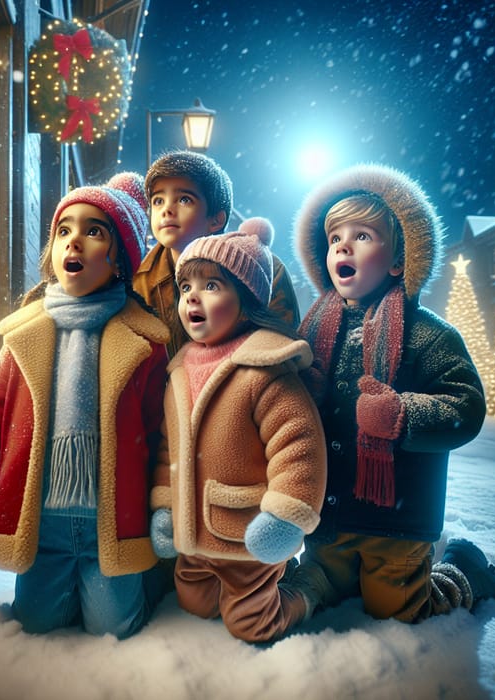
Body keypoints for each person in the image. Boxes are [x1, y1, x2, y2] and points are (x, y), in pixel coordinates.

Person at [0, 173, 171, 639]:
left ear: (119, 256)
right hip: (41, 522)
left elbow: (162, 435)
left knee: (112, 631)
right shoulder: (25, 335)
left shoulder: (145, 343)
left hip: (112, 521)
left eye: (93, 231)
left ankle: (141, 591)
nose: (74, 241)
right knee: (39, 626)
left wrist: (163, 503)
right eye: (65, 230)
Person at [290, 163, 495, 623]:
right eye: (334, 239)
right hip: (329, 516)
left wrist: (403, 415)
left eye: (362, 236)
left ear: (398, 261)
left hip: (397, 520)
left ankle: (463, 570)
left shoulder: (425, 335)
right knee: (320, 581)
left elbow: (465, 406)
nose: (343, 246)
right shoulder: (309, 334)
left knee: (399, 610)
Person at [149, 217, 327, 643]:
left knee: (252, 624)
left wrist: (284, 516)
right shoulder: (178, 370)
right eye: (186, 287)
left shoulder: (264, 368)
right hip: (194, 535)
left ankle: (309, 589)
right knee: (194, 603)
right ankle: (230, 584)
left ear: (246, 300)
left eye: (212, 286)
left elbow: (298, 445)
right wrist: (165, 508)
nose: (193, 297)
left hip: (247, 536)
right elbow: (166, 452)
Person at [133, 150, 300, 357]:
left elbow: (280, 346)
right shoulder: (139, 279)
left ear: (216, 220)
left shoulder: (262, 270)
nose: (167, 210)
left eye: (184, 199)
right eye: (158, 201)